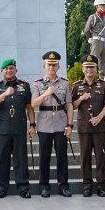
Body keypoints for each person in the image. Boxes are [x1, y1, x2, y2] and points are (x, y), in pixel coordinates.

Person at [0, 59, 35, 199]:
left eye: (11, 68)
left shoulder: (24, 86)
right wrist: (4, 94)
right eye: (6, 69)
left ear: (16, 70)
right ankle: (1, 188)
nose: (9, 71)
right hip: (3, 128)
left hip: (19, 127)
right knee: (2, 160)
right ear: (2, 71)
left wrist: (32, 124)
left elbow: (29, 107)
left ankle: (23, 188)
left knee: (21, 159)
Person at [31, 51, 73, 197]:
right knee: (44, 156)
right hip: (44, 124)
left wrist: (70, 125)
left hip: (61, 123)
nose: (51, 67)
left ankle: (63, 185)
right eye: (49, 65)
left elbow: (69, 105)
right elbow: (34, 104)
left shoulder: (65, 83)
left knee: (62, 156)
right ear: (44, 66)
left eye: (54, 65)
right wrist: (46, 93)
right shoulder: (37, 84)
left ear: (58, 66)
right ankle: (44, 186)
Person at [71, 54, 105, 197]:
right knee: (85, 157)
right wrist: (81, 98)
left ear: (96, 69)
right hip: (84, 127)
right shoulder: (76, 86)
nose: (89, 69)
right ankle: (87, 185)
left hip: (100, 128)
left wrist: (100, 117)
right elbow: (72, 106)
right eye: (87, 67)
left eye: (92, 67)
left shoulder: (103, 85)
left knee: (101, 156)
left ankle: (101, 186)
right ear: (83, 69)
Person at [82, 0, 105, 77]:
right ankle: (90, 79)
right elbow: (86, 30)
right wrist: (90, 38)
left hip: (104, 41)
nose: (104, 7)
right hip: (96, 40)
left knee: (104, 62)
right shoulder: (93, 17)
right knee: (93, 61)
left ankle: (102, 80)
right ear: (97, 6)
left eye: (104, 5)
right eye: (102, 5)